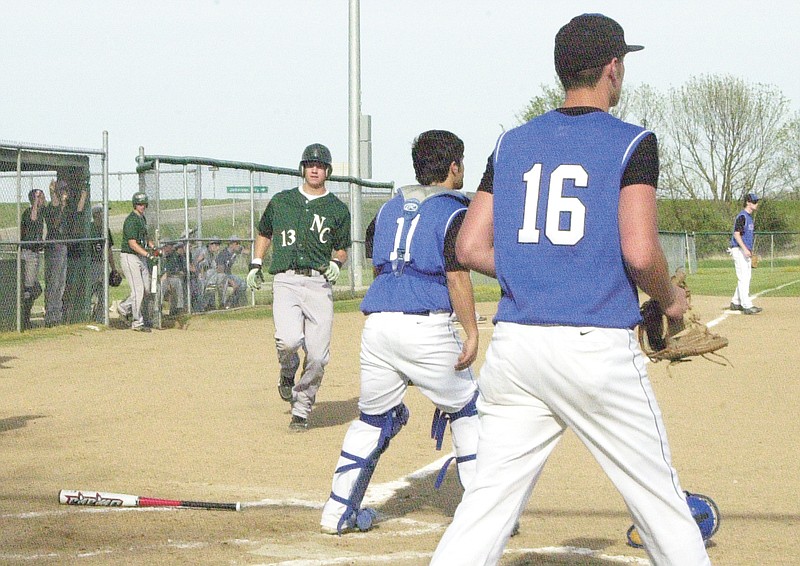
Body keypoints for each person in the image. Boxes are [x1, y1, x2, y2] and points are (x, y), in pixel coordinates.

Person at [431, 14, 711, 566]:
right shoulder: (634, 141)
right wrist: (670, 300)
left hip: (516, 349)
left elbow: (467, 246)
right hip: (594, 348)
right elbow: (638, 251)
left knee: (484, 508)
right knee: (661, 507)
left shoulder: (512, 142)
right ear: (613, 67)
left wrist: (536, 269)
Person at [319, 130, 480, 535]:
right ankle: (485, 516)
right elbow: (458, 278)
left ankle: (337, 512)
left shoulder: (389, 210)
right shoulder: (455, 212)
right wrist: (472, 332)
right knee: (469, 411)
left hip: (378, 325)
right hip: (426, 326)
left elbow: (380, 267)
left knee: (373, 421)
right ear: (453, 167)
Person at [247, 143, 352, 430]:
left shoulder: (337, 209)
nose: (314, 169)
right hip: (287, 280)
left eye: (319, 165)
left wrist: (336, 263)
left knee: (318, 356)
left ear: (327, 171)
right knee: (289, 341)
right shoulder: (282, 201)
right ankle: (288, 370)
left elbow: (341, 249)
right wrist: (256, 263)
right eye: (309, 164)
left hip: (319, 284)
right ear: (302, 169)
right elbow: (265, 232)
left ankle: (302, 409)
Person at [117, 192, 156, 332]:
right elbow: (132, 244)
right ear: (135, 205)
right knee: (138, 290)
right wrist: (148, 254)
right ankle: (137, 322)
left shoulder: (142, 218)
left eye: (144, 204)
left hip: (140, 257)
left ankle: (123, 307)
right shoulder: (131, 220)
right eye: (140, 204)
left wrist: (154, 248)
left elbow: (146, 238)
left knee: (146, 288)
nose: (142, 206)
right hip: (130, 257)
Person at [41, 180, 70, 326]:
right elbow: (55, 225)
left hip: (62, 245)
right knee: (53, 282)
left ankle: (56, 314)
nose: (66, 192)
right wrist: (61, 204)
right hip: (54, 246)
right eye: (63, 190)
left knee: (61, 282)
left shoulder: (63, 206)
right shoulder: (53, 207)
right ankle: (50, 315)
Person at [728, 193, 761, 315]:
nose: (756, 203)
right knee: (743, 278)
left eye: (756, 201)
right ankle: (746, 305)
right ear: (748, 202)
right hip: (738, 249)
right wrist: (745, 249)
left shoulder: (749, 217)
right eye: (754, 201)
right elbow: (736, 234)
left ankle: (735, 302)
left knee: (745, 276)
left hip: (744, 250)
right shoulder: (742, 217)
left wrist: (749, 251)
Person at [20, 189, 46, 329]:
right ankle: (24, 320)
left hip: (35, 253)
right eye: (40, 198)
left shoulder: (41, 212)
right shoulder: (29, 212)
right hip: (28, 253)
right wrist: (36, 201)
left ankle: (24, 317)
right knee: (29, 289)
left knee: (36, 289)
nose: (42, 200)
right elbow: (32, 219)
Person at [89, 205, 117, 323]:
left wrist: (113, 268)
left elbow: (109, 250)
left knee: (103, 291)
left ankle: (99, 316)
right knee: (91, 289)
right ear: (96, 215)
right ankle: (87, 313)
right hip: (91, 264)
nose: (105, 215)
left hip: (103, 263)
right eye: (102, 213)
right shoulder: (89, 228)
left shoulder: (106, 229)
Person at [210, 236, 247, 308]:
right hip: (221, 276)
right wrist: (230, 281)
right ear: (231, 244)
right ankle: (224, 305)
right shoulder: (223, 254)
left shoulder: (235, 251)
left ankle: (232, 304)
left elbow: (247, 251)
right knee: (230, 285)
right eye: (237, 243)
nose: (239, 245)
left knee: (243, 284)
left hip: (229, 275)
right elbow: (220, 272)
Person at [160, 242, 187, 316]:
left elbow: (174, 271)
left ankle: (179, 308)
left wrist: (169, 276)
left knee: (178, 281)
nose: (172, 248)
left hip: (169, 279)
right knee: (163, 284)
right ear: (164, 247)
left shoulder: (172, 257)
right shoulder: (157, 256)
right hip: (157, 280)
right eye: (170, 246)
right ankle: (158, 309)